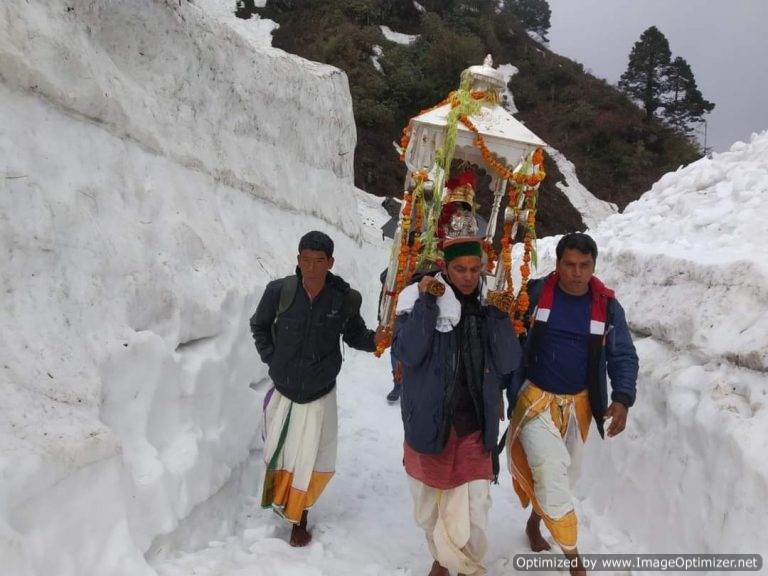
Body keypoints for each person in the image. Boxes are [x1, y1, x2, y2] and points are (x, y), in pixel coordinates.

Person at [504, 233, 639, 575]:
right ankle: (574, 559)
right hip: (535, 400)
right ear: (558, 263)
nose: (577, 273)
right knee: (551, 474)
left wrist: (622, 398)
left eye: (584, 265)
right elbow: (507, 337)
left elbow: (623, 355)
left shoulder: (606, 306)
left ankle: (535, 522)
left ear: (594, 266)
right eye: (569, 265)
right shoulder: (535, 295)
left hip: (579, 405)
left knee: (564, 475)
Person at [392, 236, 521, 576]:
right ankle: (443, 558)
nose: (467, 277)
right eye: (460, 269)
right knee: (430, 505)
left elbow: (508, 361)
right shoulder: (415, 301)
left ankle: (463, 564)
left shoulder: (486, 307)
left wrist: (498, 318)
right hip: (432, 422)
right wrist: (428, 304)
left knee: (475, 511)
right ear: (446, 269)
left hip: (475, 427)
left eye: (474, 270)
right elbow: (408, 352)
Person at [250, 231, 385, 547]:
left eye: (319, 261)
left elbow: (355, 336)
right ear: (298, 260)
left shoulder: (343, 299)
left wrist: (376, 340)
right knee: (280, 452)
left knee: (309, 457)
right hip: (284, 391)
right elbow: (259, 325)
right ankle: (282, 502)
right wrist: (273, 360)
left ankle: (301, 517)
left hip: (318, 394)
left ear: (330, 263)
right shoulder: (279, 292)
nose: (311, 268)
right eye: (305, 260)